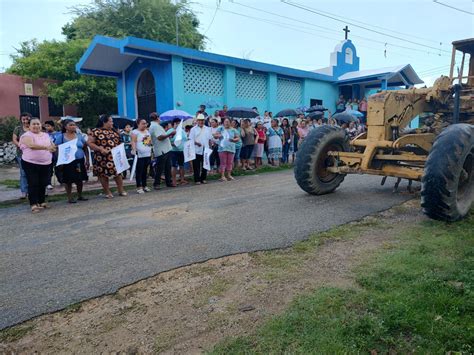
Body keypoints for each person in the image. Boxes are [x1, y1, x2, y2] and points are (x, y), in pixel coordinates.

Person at [19, 117, 56, 213]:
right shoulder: (26, 135)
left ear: (41, 125)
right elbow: (31, 145)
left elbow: (52, 146)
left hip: (45, 163)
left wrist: (52, 148)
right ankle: (33, 204)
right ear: (29, 126)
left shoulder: (45, 135)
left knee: (43, 183)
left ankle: (41, 201)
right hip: (30, 163)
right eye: (34, 124)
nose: (36, 126)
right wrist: (46, 147)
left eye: (38, 124)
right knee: (33, 183)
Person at [88, 114, 127, 199]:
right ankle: (107, 192)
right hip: (102, 156)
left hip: (115, 155)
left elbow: (120, 142)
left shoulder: (114, 131)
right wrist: (100, 148)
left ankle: (121, 190)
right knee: (103, 175)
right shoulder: (95, 131)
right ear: (104, 122)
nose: (112, 123)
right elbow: (90, 143)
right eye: (110, 121)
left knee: (118, 173)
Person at [54, 119, 90, 203]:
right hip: (67, 162)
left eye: (74, 125)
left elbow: (85, 147)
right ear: (65, 127)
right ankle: (70, 197)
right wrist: (59, 160)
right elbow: (56, 148)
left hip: (79, 161)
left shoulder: (79, 136)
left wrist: (87, 160)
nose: (73, 126)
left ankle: (80, 195)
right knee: (68, 180)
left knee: (80, 179)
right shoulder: (61, 137)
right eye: (70, 125)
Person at [149, 112, 175, 189]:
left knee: (167, 167)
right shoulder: (155, 126)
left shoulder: (155, 126)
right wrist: (169, 134)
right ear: (157, 118)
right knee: (160, 168)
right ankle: (156, 184)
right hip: (162, 150)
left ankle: (168, 182)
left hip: (165, 149)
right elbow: (159, 137)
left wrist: (168, 136)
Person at [213, 117, 240, 181]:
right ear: (223, 122)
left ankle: (229, 175)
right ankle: (222, 176)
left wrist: (233, 140)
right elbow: (215, 136)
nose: (227, 123)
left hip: (231, 148)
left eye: (228, 122)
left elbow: (238, 138)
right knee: (223, 162)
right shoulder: (220, 128)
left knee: (230, 162)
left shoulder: (233, 130)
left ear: (230, 123)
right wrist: (218, 136)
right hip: (222, 148)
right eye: (225, 122)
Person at [131, 118, 153, 194]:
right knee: (139, 171)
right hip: (139, 155)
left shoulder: (147, 131)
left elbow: (148, 142)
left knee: (145, 171)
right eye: (143, 123)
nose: (145, 125)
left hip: (147, 154)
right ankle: (139, 186)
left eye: (145, 123)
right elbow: (133, 142)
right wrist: (134, 150)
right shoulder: (135, 132)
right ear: (138, 124)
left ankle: (144, 185)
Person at [12, 112, 31, 199]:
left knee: (33, 173)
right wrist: (20, 146)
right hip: (21, 154)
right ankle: (24, 191)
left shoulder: (33, 127)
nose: (25, 121)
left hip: (33, 154)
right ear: (21, 120)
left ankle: (33, 190)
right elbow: (14, 139)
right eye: (23, 119)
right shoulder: (18, 129)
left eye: (27, 119)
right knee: (23, 173)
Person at [189, 114, 211, 184]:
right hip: (196, 149)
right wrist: (196, 143)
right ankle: (197, 179)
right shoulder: (193, 129)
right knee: (196, 165)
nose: (201, 122)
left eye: (202, 120)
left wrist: (210, 147)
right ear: (197, 121)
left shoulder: (207, 129)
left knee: (205, 164)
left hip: (206, 149)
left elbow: (210, 139)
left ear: (204, 121)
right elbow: (190, 139)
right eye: (200, 120)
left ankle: (203, 178)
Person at [169, 118, 188, 186]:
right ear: (173, 124)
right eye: (177, 123)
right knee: (174, 166)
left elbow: (186, 139)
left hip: (182, 151)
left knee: (182, 165)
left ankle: (182, 179)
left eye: (179, 123)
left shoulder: (182, 131)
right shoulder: (171, 131)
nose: (178, 125)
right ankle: (174, 181)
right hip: (173, 151)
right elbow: (166, 140)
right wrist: (172, 143)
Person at [43, 120, 58, 190]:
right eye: (45, 126)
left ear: (53, 127)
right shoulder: (44, 135)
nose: (47, 128)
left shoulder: (58, 134)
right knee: (49, 169)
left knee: (59, 168)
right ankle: (48, 183)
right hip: (48, 154)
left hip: (56, 153)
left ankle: (62, 181)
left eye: (48, 126)